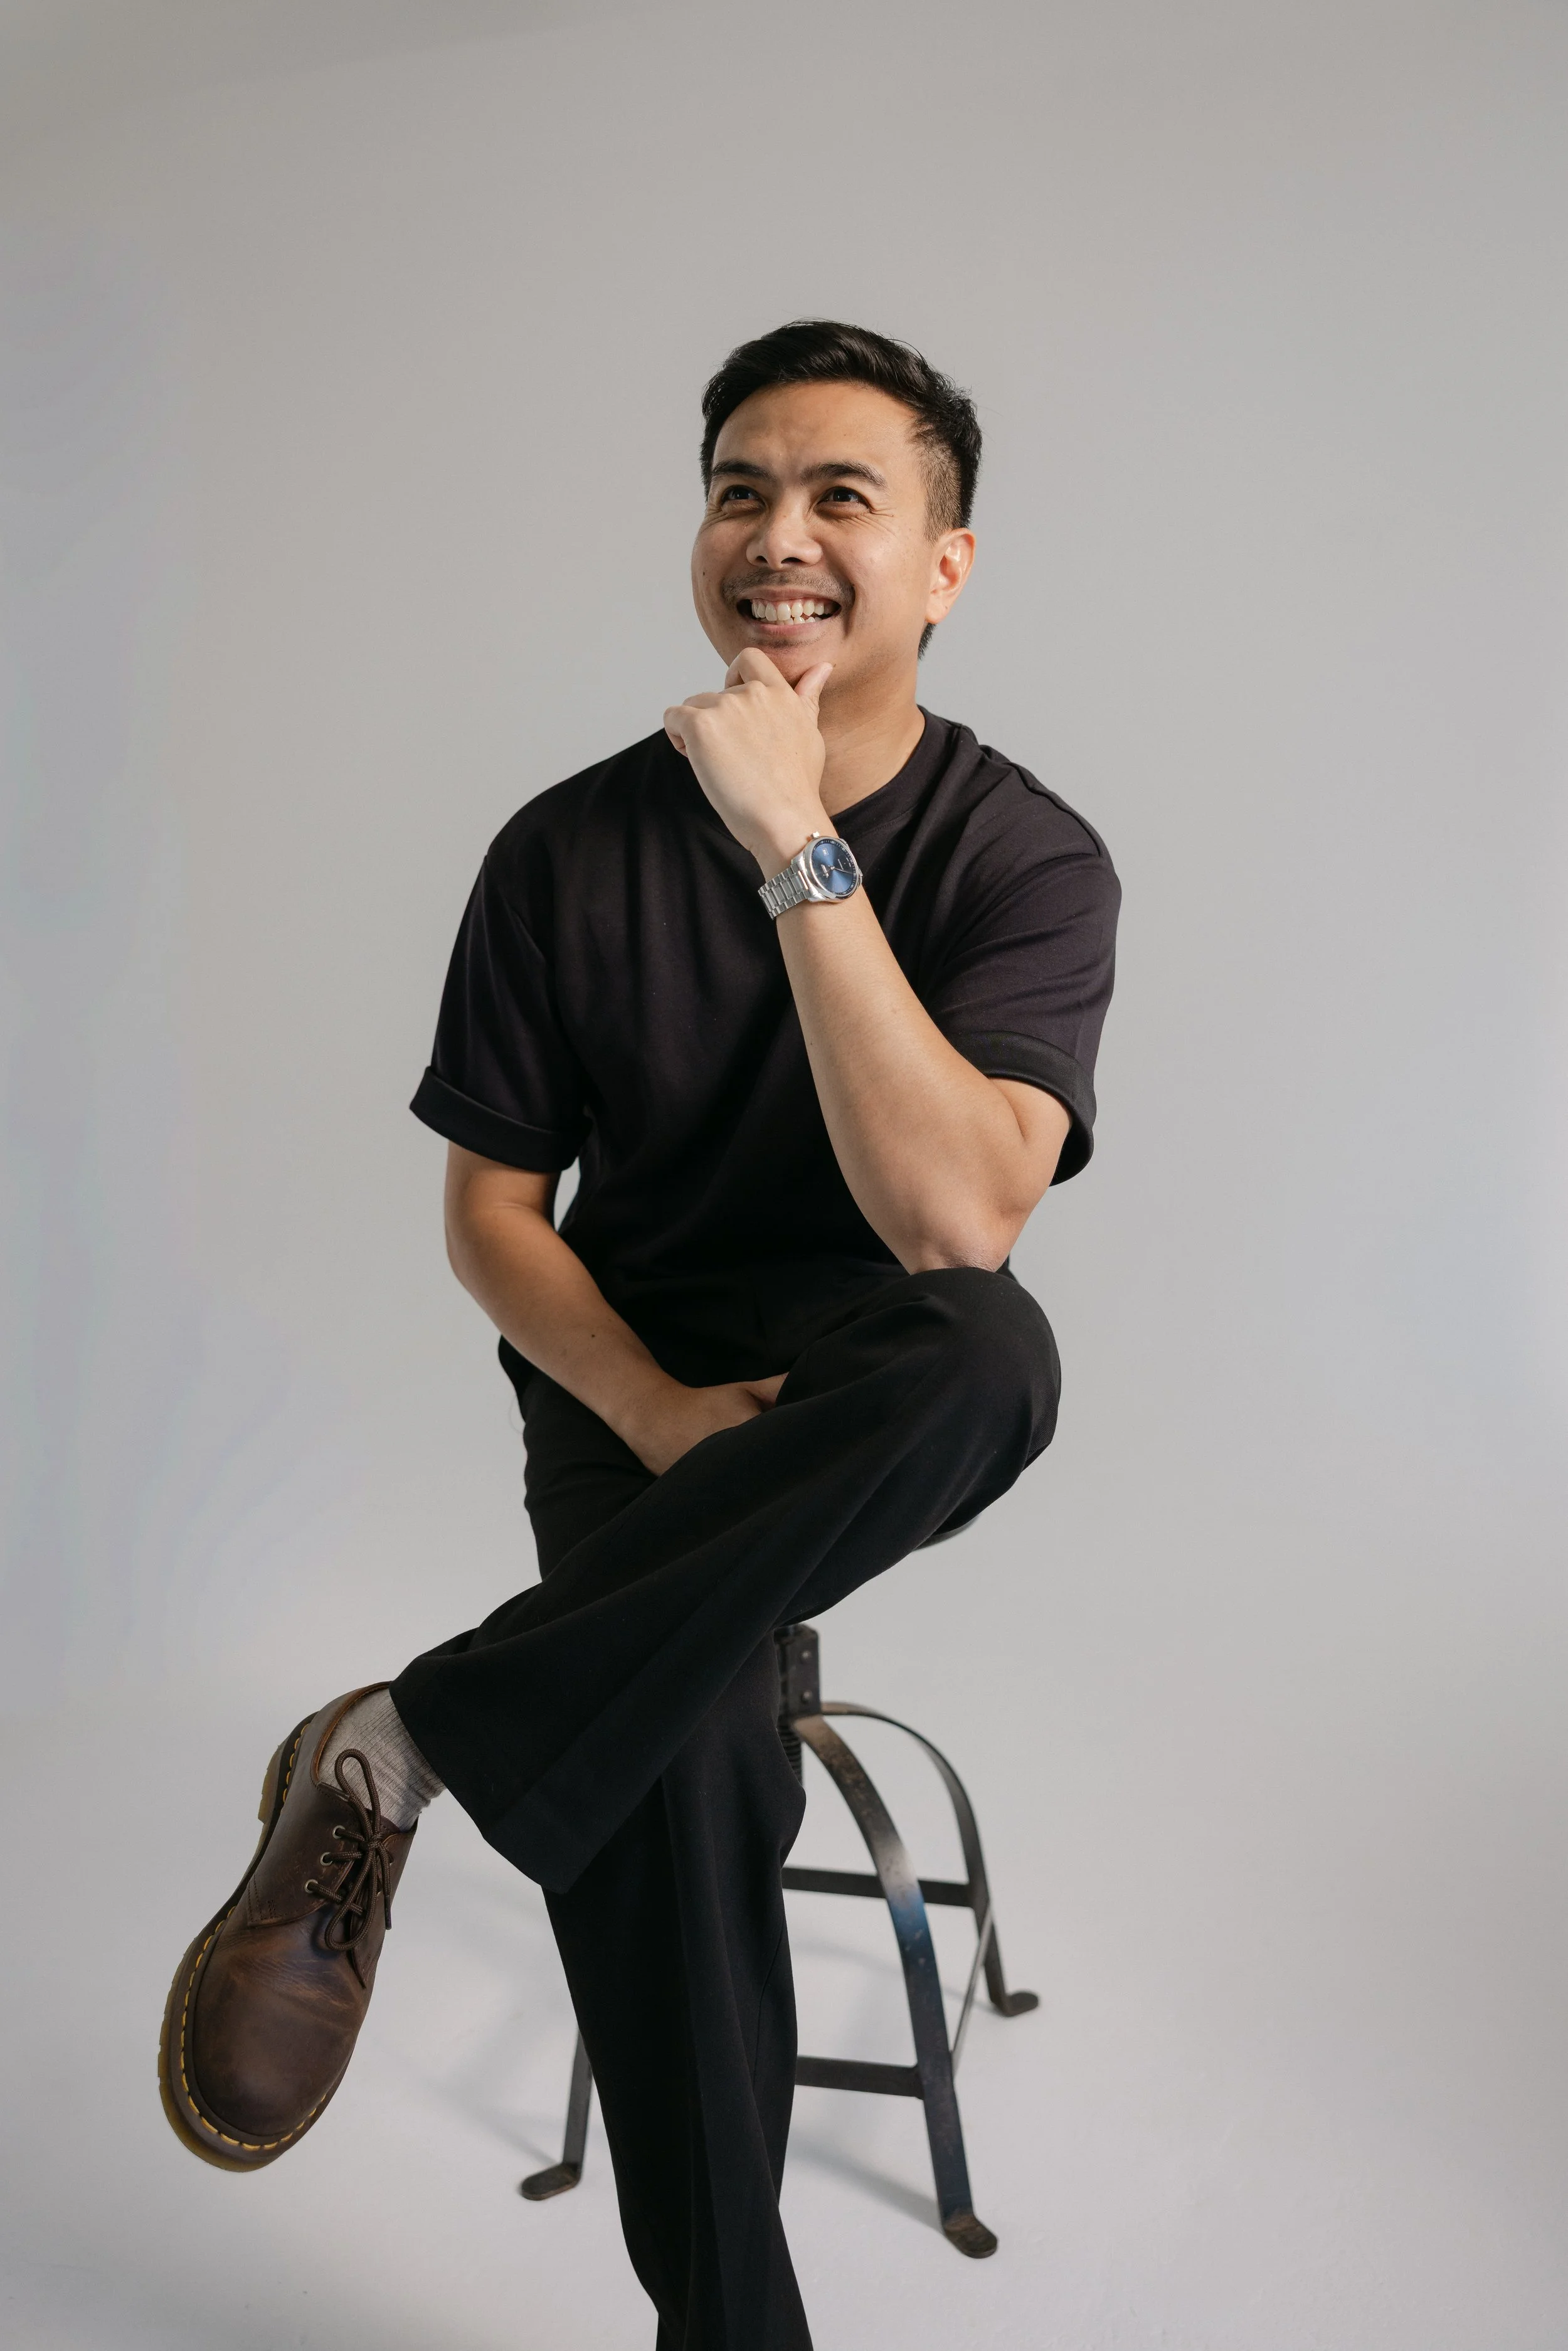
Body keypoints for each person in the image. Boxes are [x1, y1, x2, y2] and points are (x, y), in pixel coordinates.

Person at [159, 319, 1120, 2348]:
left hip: (866, 1394)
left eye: (840, 495)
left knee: (992, 1347)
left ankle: (413, 1736)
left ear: (944, 562)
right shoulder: (562, 850)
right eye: (738, 489)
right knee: (678, 1747)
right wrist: (662, 1414)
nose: (778, 537)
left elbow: (956, 1217)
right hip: (623, 1381)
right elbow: (492, 1217)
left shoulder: (1026, 856)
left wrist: (797, 839)